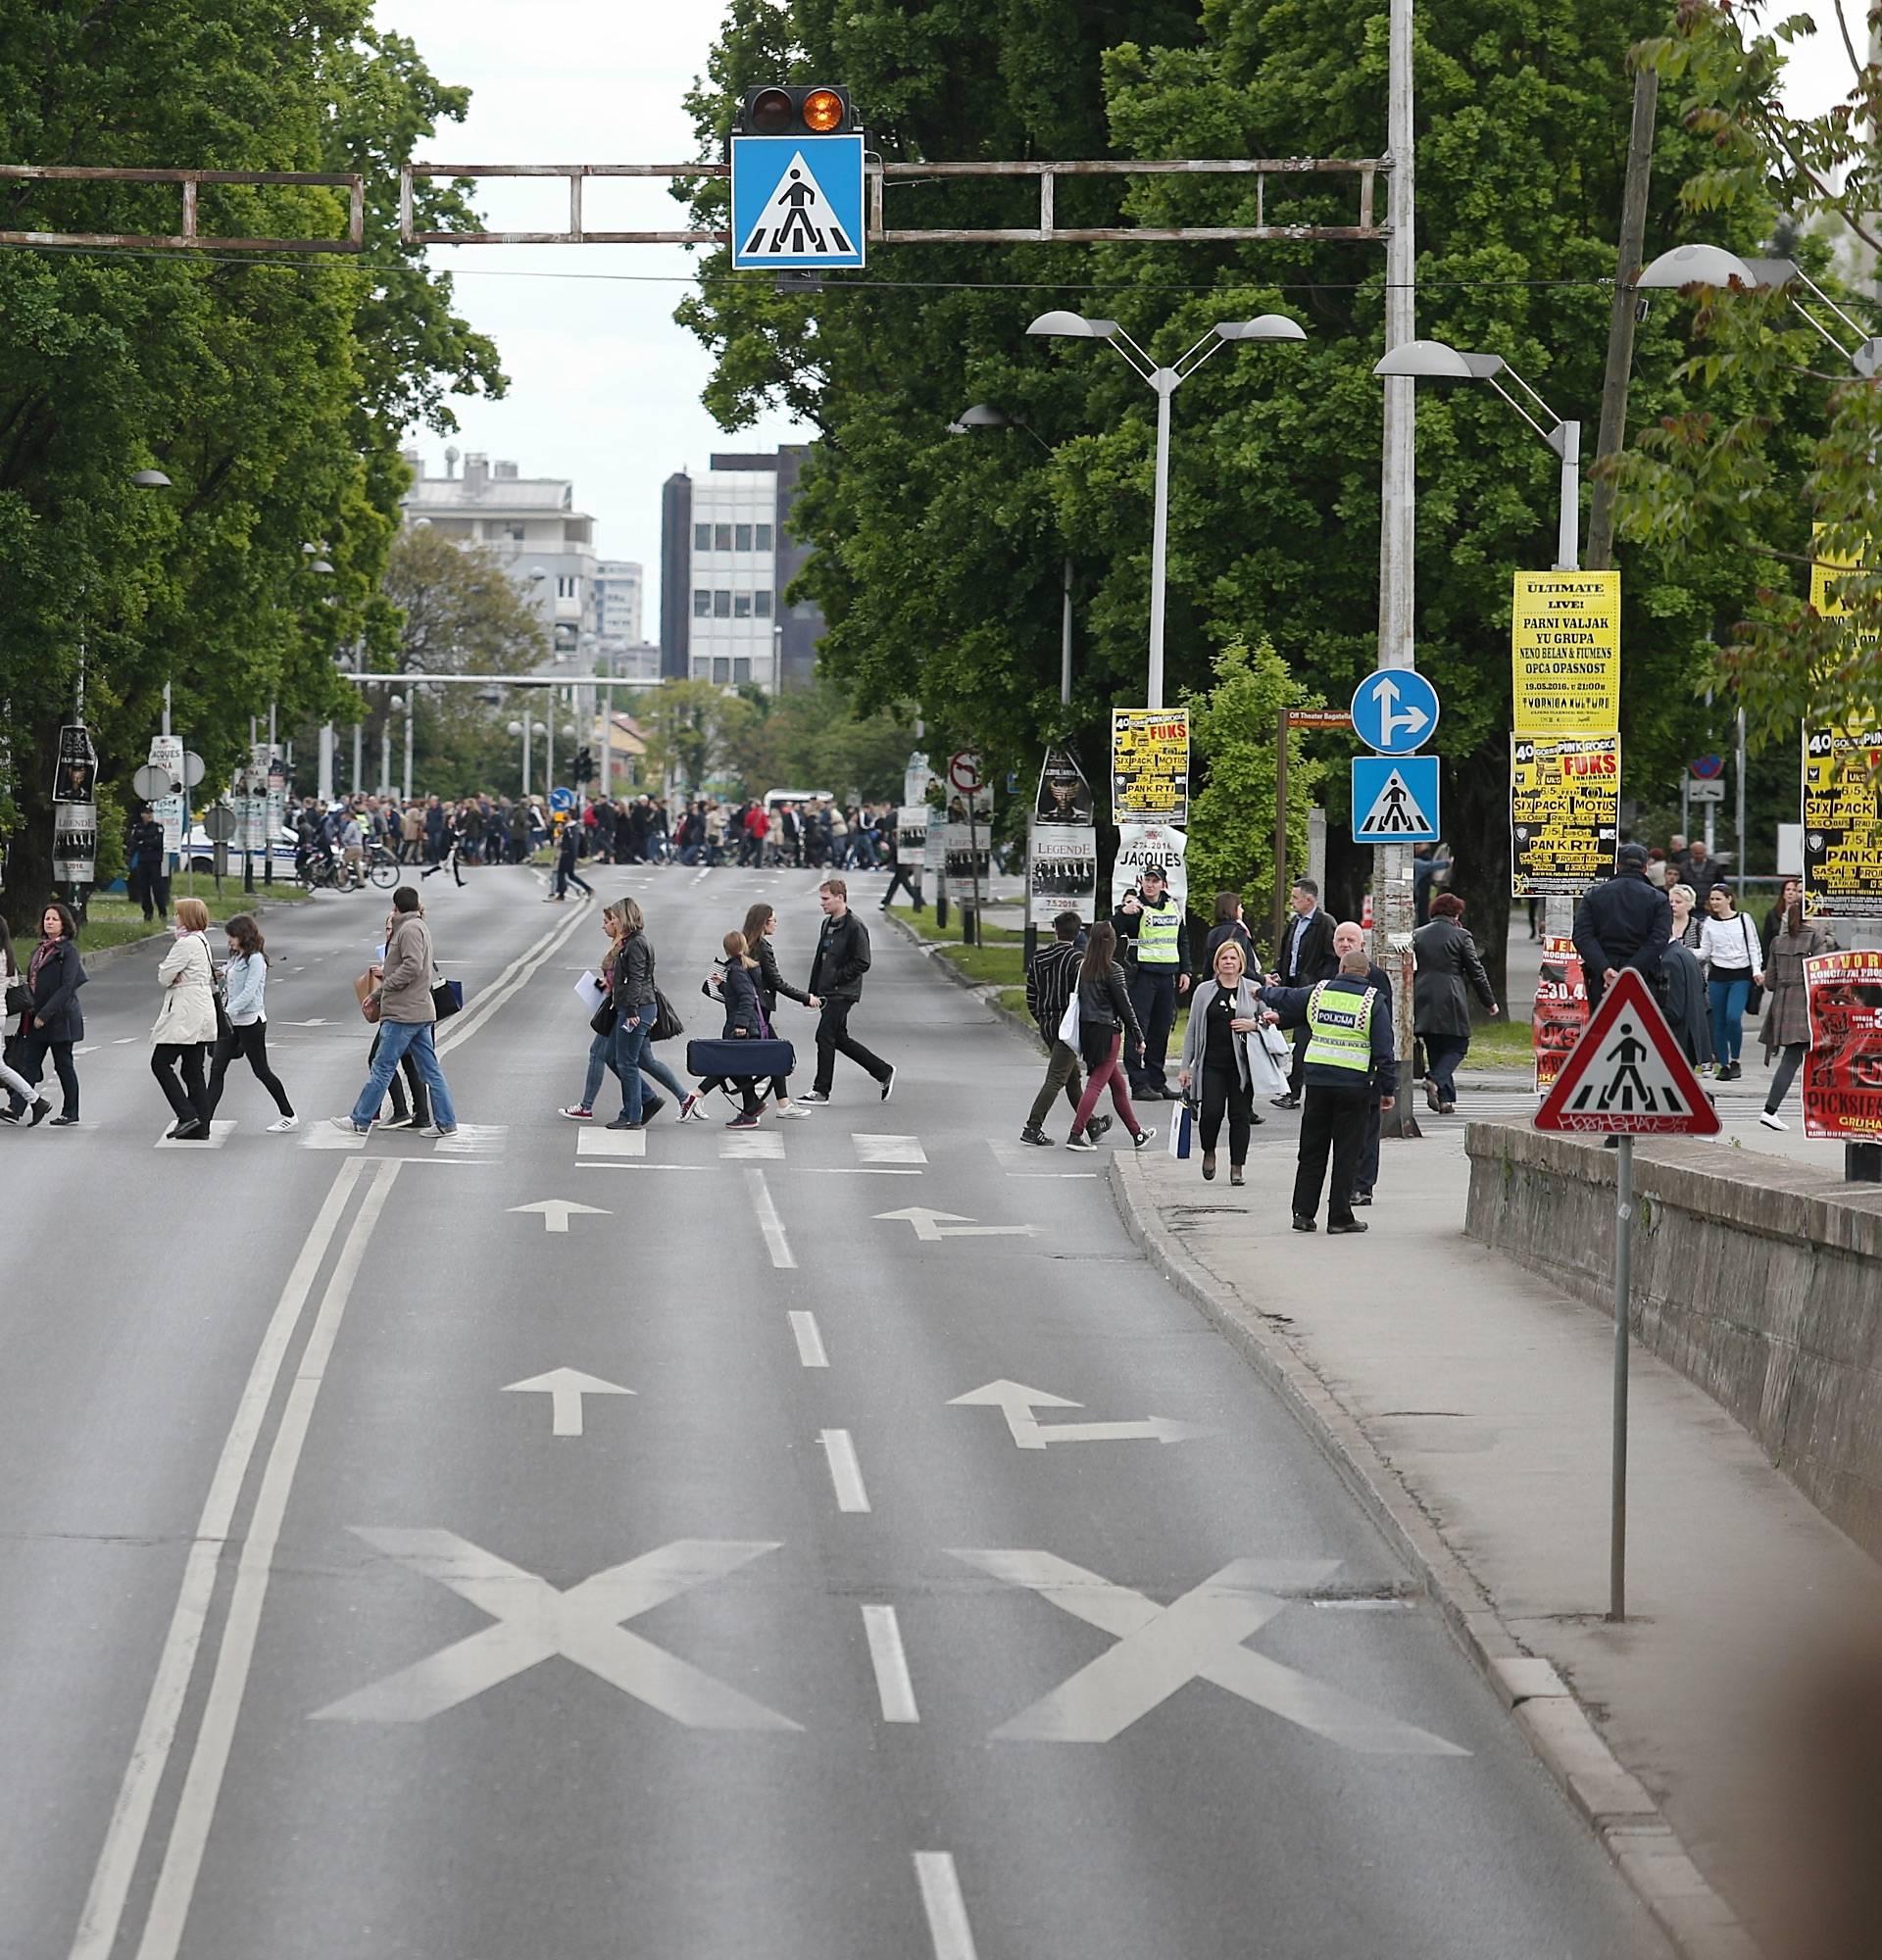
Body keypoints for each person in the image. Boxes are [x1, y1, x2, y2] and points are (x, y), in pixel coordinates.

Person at [1260, 947, 1397, 1235]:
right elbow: (1384, 1050)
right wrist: (1387, 1090)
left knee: (1311, 1149)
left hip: (1319, 1083)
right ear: (1367, 974)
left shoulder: (1319, 992)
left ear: (1341, 969)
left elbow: (1288, 998)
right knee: (1347, 1152)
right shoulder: (1374, 1000)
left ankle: (1303, 1213)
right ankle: (1339, 1217)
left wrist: (1262, 993)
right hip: (1354, 1086)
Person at [330, 886, 458, 1137]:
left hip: (404, 1014)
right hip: (419, 1010)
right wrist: (376, 995)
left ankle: (360, 1120)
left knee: (382, 1067)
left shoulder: (408, 930)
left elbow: (412, 967)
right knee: (431, 1071)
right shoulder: (419, 927)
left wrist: (385, 986)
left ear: (395, 906)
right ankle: (446, 1122)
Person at [1177, 939, 1263, 1185]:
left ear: (1241, 963)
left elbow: (1269, 1020)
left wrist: (1253, 1025)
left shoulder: (1253, 989)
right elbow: (1192, 1029)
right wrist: (1186, 1066)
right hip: (1212, 1064)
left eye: (1233, 958)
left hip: (1242, 1067)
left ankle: (1237, 1167)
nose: (1228, 962)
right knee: (1211, 1112)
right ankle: (1209, 1151)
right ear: (1217, 963)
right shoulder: (1204, 990)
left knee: (1240, 1116)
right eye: (1224, 958)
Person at [800, 879, 894, 1104]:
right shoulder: (827, 923)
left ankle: (821, 1090)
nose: (822, 903)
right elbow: (820, 961)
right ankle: (882, 1071)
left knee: (824, 1036)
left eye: (825, 899)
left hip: (842, 992)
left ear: (840, 897)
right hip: (826, 992)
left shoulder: (854, 926)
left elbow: (863, 961)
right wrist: (812, 991)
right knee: (839, 1038)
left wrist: (837, 978)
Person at [1064, 921, 1155, 1152]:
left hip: (1088, 1030)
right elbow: (1125, 1006)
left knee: (1118, 1085)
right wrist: (1138, 1035)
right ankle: (1075, 1133)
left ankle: (1137, 1134)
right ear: (1113, 943)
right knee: (1096, 1085)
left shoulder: (1083, 967)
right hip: (1108, 1031)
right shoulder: (1113, 969)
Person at [202, 913, 297, 1130]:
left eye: (232, 936)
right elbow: (228, 972)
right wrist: (219, 974)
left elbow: (249, 992)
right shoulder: (237, 956)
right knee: (217, 1070)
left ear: (243, 935)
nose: (229, 940)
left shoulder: (256, 959)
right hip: (231, 1023)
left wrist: (227, 1011)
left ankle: (288, 1114)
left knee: (261, 1071)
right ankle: (204, 1121)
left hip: (250, 1022)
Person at [1019, 909, 1106, 1148]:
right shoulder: (1077, 960)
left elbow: (1031, 994)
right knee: (1057, 1078)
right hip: (1067, 1026)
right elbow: (1083, 996)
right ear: (1078, 933)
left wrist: (1040, 1017)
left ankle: (1091, 1124)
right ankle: (1032, 1126)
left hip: (1047, 1022)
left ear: (1055, 930)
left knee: (1072, 1078)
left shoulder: (1038, 958)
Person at [1412, 892, 1500, 1114]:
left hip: (1422, 995)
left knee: (1436, 1047)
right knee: (1458, 1045)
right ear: (1456, 912)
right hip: (1450, 995)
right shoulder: (1461, 936)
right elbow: (1476, 971)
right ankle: (1434, 1080)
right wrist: (1489, 1002)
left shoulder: (1417, 935)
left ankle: (1445, 1100)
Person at [2, 903, 86, 1126]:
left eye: (54, 919)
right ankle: (16, 1108)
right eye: (47, 918)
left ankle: (71, 1111)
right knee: (29, 1063)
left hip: (59, 1018)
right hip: (34, 1017)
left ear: (64, 924)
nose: (49, 922)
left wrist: (45, 1013)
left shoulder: (68, 951)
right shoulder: (40, 949)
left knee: (63, 1065)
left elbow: (67, 987)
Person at [1112, 862, 1191, 1100]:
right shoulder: (1134, 908)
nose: (1150, 884)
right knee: (1139, 1030)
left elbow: (1182, 940)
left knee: (1161, 1030)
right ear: (1141, 882)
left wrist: (1186, 970)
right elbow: (1111, 930)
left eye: (1155, 880)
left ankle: (1157, 1082)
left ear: (1163, 884)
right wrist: (1122, 914)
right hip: (1142, 976)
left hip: (1167, 977)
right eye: (1147, 879)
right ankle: (1138, 1084)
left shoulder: (1172, 907)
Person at [607, 897, 685, 1129]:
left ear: (625, 918)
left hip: (637, 1009)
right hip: (636, 1007)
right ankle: (646, 1102)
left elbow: (637, 979)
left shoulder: (637, 944)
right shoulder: (631, 942)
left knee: (626, 1062)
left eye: (614, 918)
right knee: (628, 1058)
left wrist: (631, 1009)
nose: (612, 922)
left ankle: (632, 1115)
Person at [1758, 900, 1835, 1130]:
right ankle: (1771, 1110)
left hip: (1783, 1004)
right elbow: (1822, 976)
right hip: (1808, 1004)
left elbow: (1770, 982)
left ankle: (1807, 1111)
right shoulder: (1815, 937)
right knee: (1801, 1058)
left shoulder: (1778, 941)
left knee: (1797, 1056)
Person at [681, 931, 769, 1128]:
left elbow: (747, 997)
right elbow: (739, 995)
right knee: (738, 1068)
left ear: (726, 949)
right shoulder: (738, 968)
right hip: (744, 1026)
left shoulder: (736, 971)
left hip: (742, 1028)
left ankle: (696, 1095)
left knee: (727, 1064)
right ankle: (751, 1109)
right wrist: (723, 987)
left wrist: (740, 1025)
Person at [1571, 842, 1671, 1009]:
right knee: (1641, 1029)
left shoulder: (1593, 895)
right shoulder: (1658, 899)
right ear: (1645, 868)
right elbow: (1659, 939)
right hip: (1643, 975)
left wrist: (1604, 969)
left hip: (1601, 977)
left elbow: (1582, 936)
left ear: (1617, 866)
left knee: (1602, 1028)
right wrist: (1629, 972)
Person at [151, 897, 218, 1140]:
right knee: (192, 1070)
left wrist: (168, 972)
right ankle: (201, 1127)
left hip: (185, 1013)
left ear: (187, 917)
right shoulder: (202, 941)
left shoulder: (185, 944)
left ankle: (187, 1115)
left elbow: (165, 976)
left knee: (160, 1063)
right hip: (201, 1009)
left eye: (178, 914)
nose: (175, 918)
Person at [737, 902, 811, 1118]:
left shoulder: (744, 944)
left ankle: (781, 1104)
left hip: (747, 1013)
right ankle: (695, 1096)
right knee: (761, 1058)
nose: (776, 923)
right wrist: (806, 998)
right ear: (763, 923)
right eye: (773, 920)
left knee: (766, 1056)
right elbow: (777, 982)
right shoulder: (762, 949)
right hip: (757, 1015)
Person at [1331, 920, 1386, 1206]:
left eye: (1351, 939)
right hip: (1333, 1070)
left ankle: (1363, 1186)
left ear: (1362, 944)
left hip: (1366, 1072)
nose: (1345, 944)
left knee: (1366, 1132)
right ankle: (1344, 1185)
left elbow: (1384, 1026)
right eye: (1340, 940)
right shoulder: (1328, 975)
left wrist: (1385, 1074)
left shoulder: (1375, 976)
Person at [1270, 878, 1337, 1107]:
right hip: (1292, 986)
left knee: (1303, 1039)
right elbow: (1287, 951)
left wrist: (1318, 982)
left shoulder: (1324, 923)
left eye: (1295, 898)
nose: (1291, 902)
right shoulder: (1295, 923)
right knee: (1294, 1036)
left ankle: (1294, 1090)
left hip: (1311, 990)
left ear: (1309, 900)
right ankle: (1293, 1087)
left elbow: (1331, 957)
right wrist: (1278, 972)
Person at [1699, 882, 1761, 1082]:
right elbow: (1705, 951)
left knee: (1733, 1017)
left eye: (1718, 898)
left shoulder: (1743, 919)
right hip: (1718, 975)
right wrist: (1685, 951)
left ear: (1729, 899)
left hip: (1740, 975)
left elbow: (1753, 946)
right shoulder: (1709, 923)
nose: (1715, 902)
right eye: (1712, 899)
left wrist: (1757, 970)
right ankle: (1724, 1064)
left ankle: (1736, 1059)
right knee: (1719, 1021)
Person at [0, 917, 54, 1125]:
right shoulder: (7, 955)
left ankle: (36, 1101)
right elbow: (13, 983)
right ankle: (36, 1101)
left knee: (1, 1067)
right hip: (2, 1014)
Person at [126, 805, 170, 922]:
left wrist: (143, 842)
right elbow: (134, 843)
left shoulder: (158, 827)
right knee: (144, 889)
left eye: (151, 813)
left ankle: (162, 912)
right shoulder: (138, 827)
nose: (149, 815)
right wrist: (145, 843)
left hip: (155, 861)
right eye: (147, 813)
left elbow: (157, 842)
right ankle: (148, 913)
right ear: (142, 815)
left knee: (157, 888)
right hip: (143, 861)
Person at [1203, 892, 1258, 972]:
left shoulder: (1212, 933)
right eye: (1240, 907)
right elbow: (1244, 965)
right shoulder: (1239, 932)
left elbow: (1207, 966)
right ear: (1233, 909)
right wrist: (1261, 979)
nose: (1242, 910)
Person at [880, 818, 922, 912]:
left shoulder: (898, 845)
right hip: (903, 868)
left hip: (903, 869)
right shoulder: (902, 844)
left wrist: (880, 864)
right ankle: (886, 902)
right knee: (893, 885)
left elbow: (891, 857)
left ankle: (920, 901)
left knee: (908, 887)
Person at [547, 818, 592, 903]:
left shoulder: (570, 830)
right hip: (566, 855)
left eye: (560, 826)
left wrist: (574, 856)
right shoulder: (569, 831)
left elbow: (572, 844)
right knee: (569, 875)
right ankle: (587, 889)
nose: (558, 828)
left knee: (561, 874)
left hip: (566, 855)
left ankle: (560, 895)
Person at [1761, 877, 1803, 963]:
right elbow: (1766, 941)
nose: (1791, 893)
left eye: (1794, 890)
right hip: (1776, 958)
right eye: (1788, 890)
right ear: (1783, 894)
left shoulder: (1803, 916)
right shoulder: (1772, 914)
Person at [1667, 880, 1702, 950]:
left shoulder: (1697, 927)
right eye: (1671, 901)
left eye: (1678, 902)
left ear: (1689, 905)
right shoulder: (1661, 924)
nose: (1673, 905)